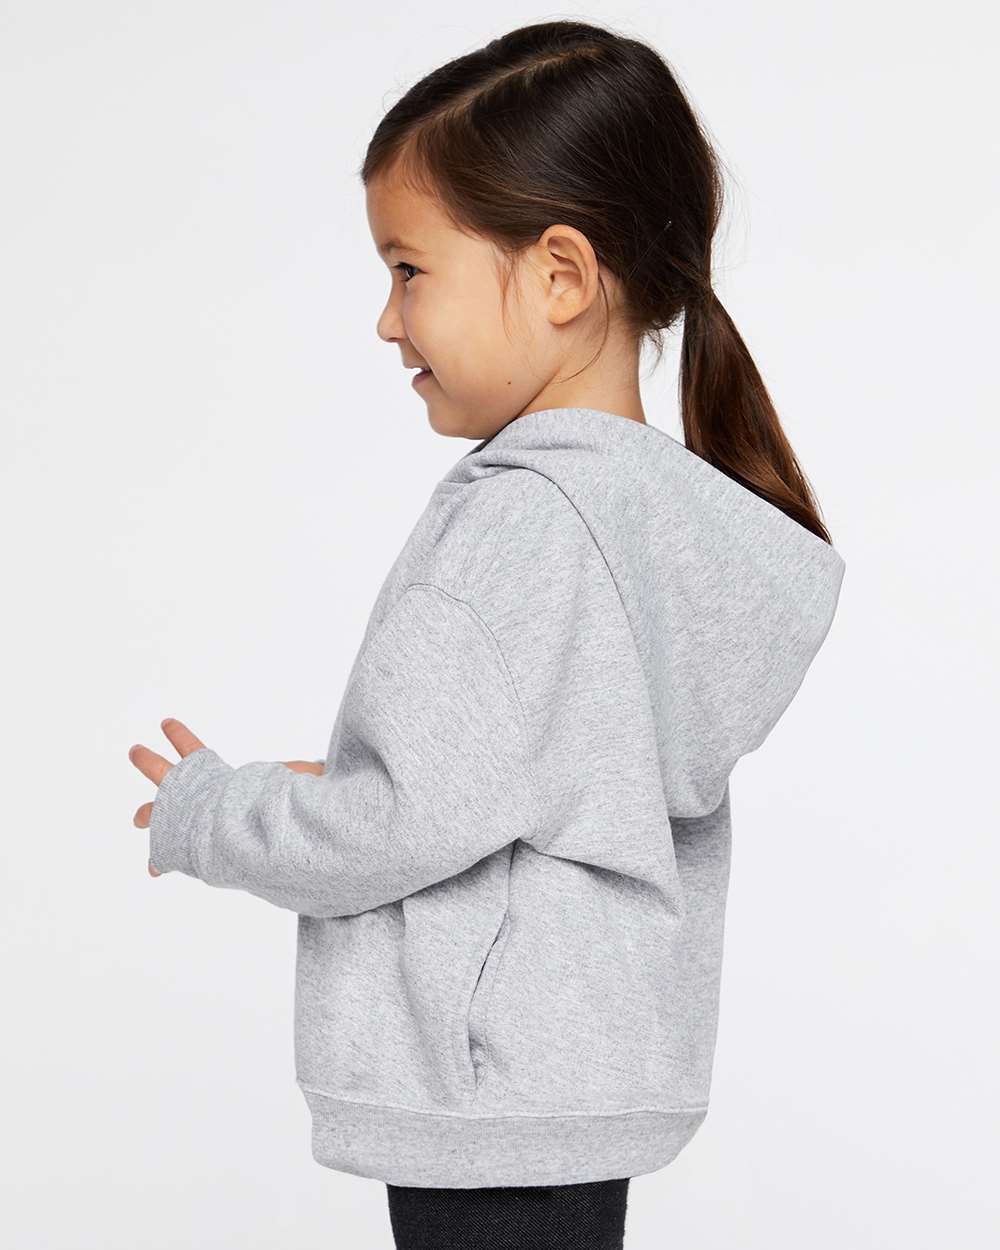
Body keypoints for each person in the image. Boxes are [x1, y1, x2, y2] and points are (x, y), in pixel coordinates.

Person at [128, 19, 846, 1250]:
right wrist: (360, 777)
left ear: (559, 275)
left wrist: (217, 813)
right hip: (571, 1083)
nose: (385, 320)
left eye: (408, 269)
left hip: (485, 1092)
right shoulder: (640, 519)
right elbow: (527, 781)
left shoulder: (522, 523)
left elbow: (395, 828)